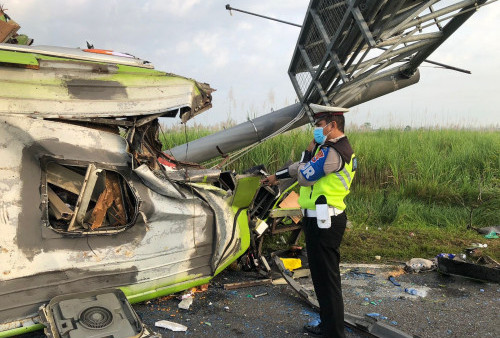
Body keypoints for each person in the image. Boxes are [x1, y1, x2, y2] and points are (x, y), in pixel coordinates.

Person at [262, 103, 357, 338]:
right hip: (319, 221)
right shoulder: (332, 149)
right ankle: (327, 326)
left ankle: (334, 333)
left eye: (319, 125)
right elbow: (298, 168)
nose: (315, 130)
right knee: (322, 278)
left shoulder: (333, 152)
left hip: (326, 222)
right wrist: (276, 176)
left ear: (332, 125)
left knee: (328, 280)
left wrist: (307, 151)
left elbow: (304, 176)